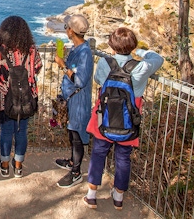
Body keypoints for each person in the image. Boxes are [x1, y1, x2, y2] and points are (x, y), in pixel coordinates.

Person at [84, 27, 164, 210]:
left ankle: (92, 195)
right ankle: (118, 197)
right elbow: (158, 59)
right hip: (129, 120)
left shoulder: (106, 63)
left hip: (105, 117)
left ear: (112, 45)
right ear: (132, 45)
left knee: (98, 153)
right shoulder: (141, 67)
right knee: (123, 158)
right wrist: (141, 52)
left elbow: (98, 80)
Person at [0, 15, 42, 178]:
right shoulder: (31, 50)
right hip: (26, 98)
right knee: (22, 131)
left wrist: (6, 86)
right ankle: (18, 166)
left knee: (5, 132)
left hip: (5, 99)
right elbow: (37, 68)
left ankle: (4, 166)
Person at [53, 15, 94, 188]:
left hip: (78, 101)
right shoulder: (76, 48)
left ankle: (76, 172)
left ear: (72, 31)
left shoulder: (85, 53)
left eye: (66, 27)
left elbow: (80, 80)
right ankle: (72, 161)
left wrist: (63, 65)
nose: (65, 29)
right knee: (71, 132)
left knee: (77, 135)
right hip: (71, 99)